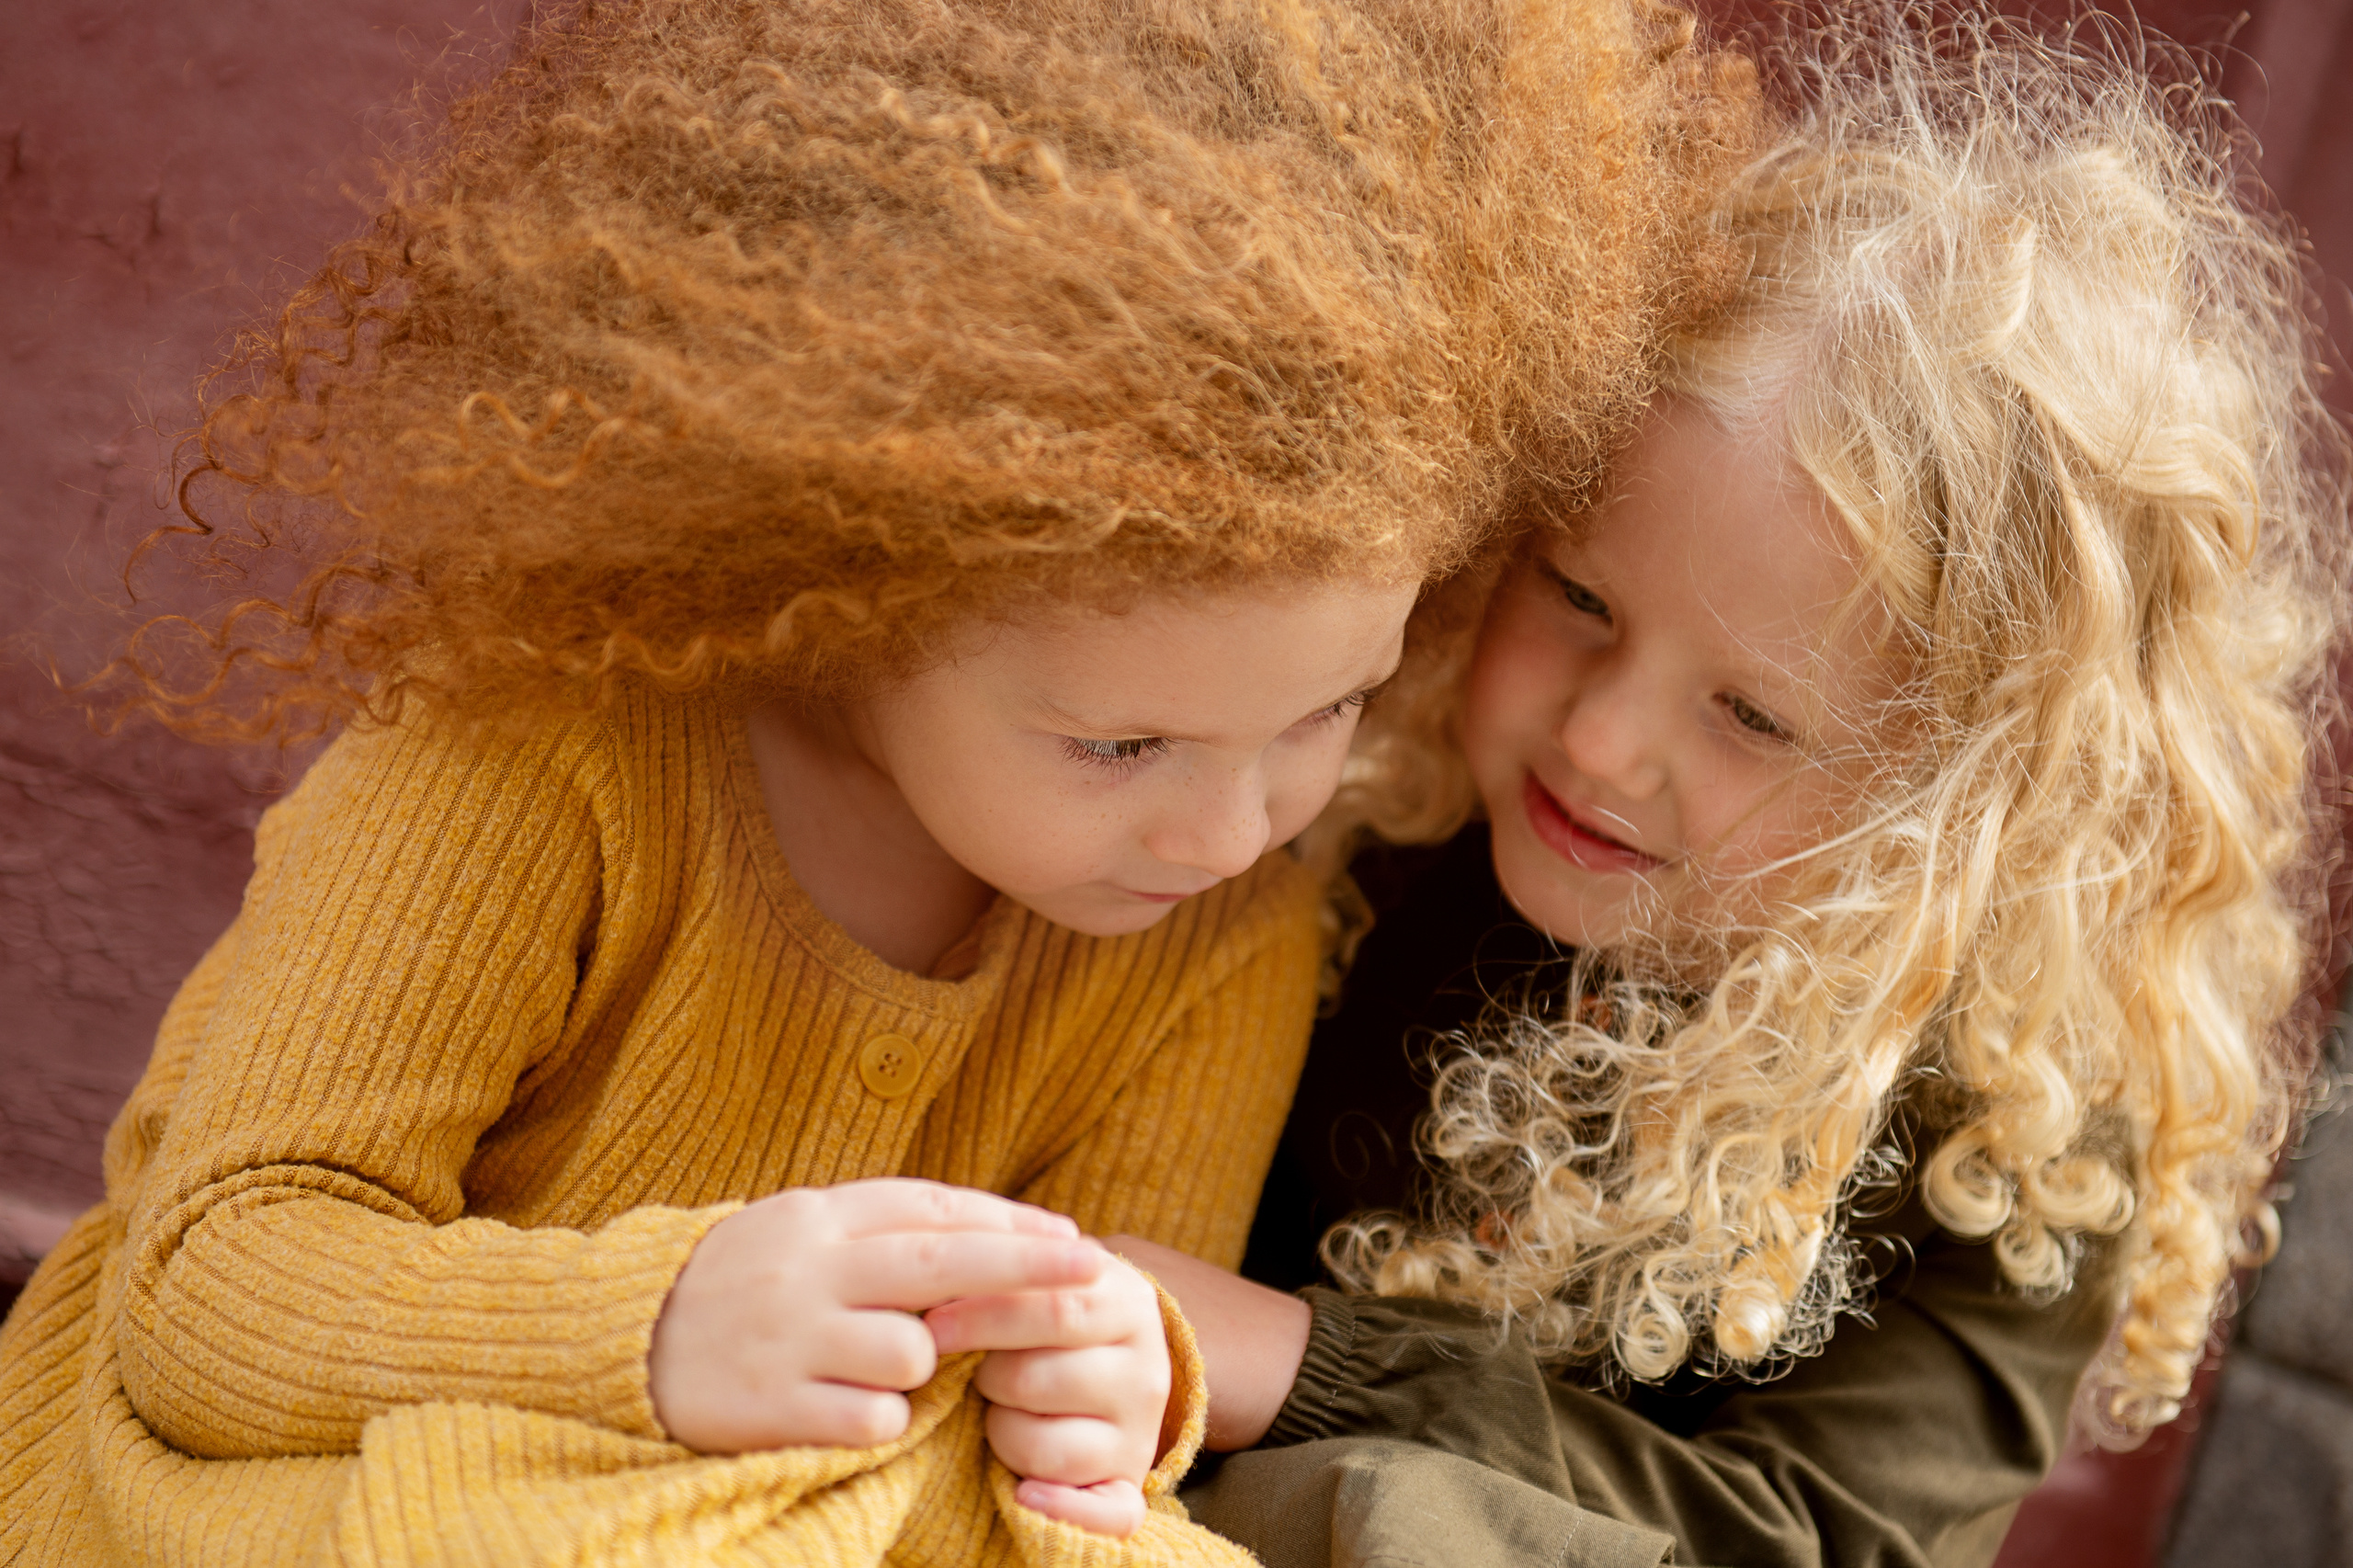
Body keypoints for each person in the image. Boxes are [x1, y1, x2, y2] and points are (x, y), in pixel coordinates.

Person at [0, 1, 1752, 1563]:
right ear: (852, 583)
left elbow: (1076, 1413)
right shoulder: (528, 760)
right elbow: (207, 1289)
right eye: (1119, 743)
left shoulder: (1226, 911)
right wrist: (658, 1326)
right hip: (299, 1473)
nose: (1234, 827)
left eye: (1330, 709)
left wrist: (1119, 1386)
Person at [1125, 13, 2347, 1566]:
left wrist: (1298, 1367)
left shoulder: (2020, 1131)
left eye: (1754, 714)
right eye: (1576, 595)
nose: (1605, 742)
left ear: (1967, 814)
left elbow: (1817, 1537)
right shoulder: (1365, 814)